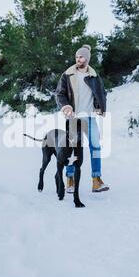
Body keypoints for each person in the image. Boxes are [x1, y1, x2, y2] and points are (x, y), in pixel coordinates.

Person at [55, 45, 110, 193]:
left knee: (96, 147)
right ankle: (70, 179)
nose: (78, 59)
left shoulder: (93, 75)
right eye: (76, 57)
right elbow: (59, 93)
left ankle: (96, 180)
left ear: (87, 58)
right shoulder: (67, 74)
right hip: (74, 117)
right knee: (72, 149)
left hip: (90, 117)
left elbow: (101, 93)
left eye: (81, 57)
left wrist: (100, 106)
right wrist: (65, 106)